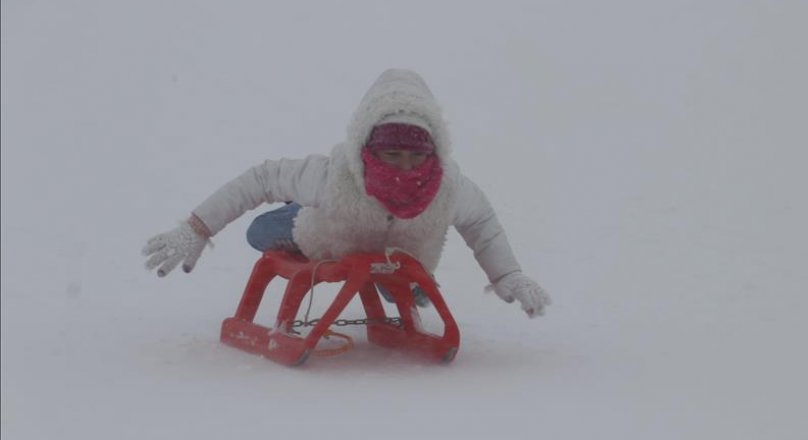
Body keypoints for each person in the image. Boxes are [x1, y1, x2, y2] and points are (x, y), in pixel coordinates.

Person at [142, 69, 551, 318]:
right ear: (366, 150)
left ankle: (404, 290)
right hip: (327, 238)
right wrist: (198, 227)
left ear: (435, 152)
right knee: (260, 232)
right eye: (392, 155)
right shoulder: (332, 175)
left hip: (400, 257)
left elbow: (481, 221)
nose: (404, 168)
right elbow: (261, 178)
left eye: (415, 156)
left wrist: (508, 275)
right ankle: (296, 210)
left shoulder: (449, 187)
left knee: (401, 290)